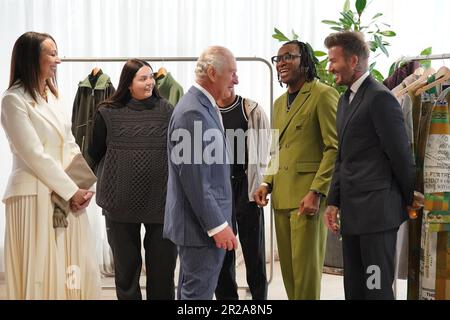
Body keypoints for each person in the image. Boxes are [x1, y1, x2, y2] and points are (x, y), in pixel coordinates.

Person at [0, 31, 100, 299]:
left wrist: (81, 187)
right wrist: (71, 190)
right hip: (33, 195)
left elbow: (69, 143)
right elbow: (33, 154)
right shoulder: (13, 100)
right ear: (33, 58)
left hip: (65, 196)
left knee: (72, 268)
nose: (58, 60)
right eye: (52, 54)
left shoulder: (54, 97)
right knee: (42, 269)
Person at [323, 31, 415, 300]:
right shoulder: (344, 100)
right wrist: (333, 201)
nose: (329, 67)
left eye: (333, 60)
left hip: (377, 217)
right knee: (354, 289)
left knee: (375, 289)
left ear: (353, 61)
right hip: (352, 217)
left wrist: (408, 199)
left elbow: (401, 156)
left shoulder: (380, 98)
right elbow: (343, 156)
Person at [254, 40, 339, 300]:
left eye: (288, 57)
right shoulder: (279, 103)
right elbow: (276, 150)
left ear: (305, 61)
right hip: (281, 198)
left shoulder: (323, 94)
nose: (281, 63)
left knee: (306, 276)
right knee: (289, 275)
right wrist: (266, 182)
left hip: (307, 199)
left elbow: (333, 147)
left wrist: (317, 191)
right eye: (277, 58)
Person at [89, 59, 177, 300]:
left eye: (151, 78)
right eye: (143, 78)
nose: (149, 82)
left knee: (162, 274)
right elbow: (94, 153)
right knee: (126, 275)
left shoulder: (168, 110)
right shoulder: (106, 112)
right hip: (119, 203)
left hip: (160, 202)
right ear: (128, 84)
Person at [164, 46, 239, 300]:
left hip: (198, 225)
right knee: (198, 297)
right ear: (212, 72)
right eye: (232, 72)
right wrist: (217, 225)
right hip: (201, 229)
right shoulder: (192, 112)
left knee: (191, 293)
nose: (236, 80)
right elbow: (195, 180)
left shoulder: (202, 106)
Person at [215, 89, 270, 300]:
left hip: (246, 186)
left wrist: (264, 184)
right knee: (223, 252)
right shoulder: (207, 111)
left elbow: (268, 150)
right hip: (219, 189)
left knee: (253, 252)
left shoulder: (250, 109)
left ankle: (259, 301)